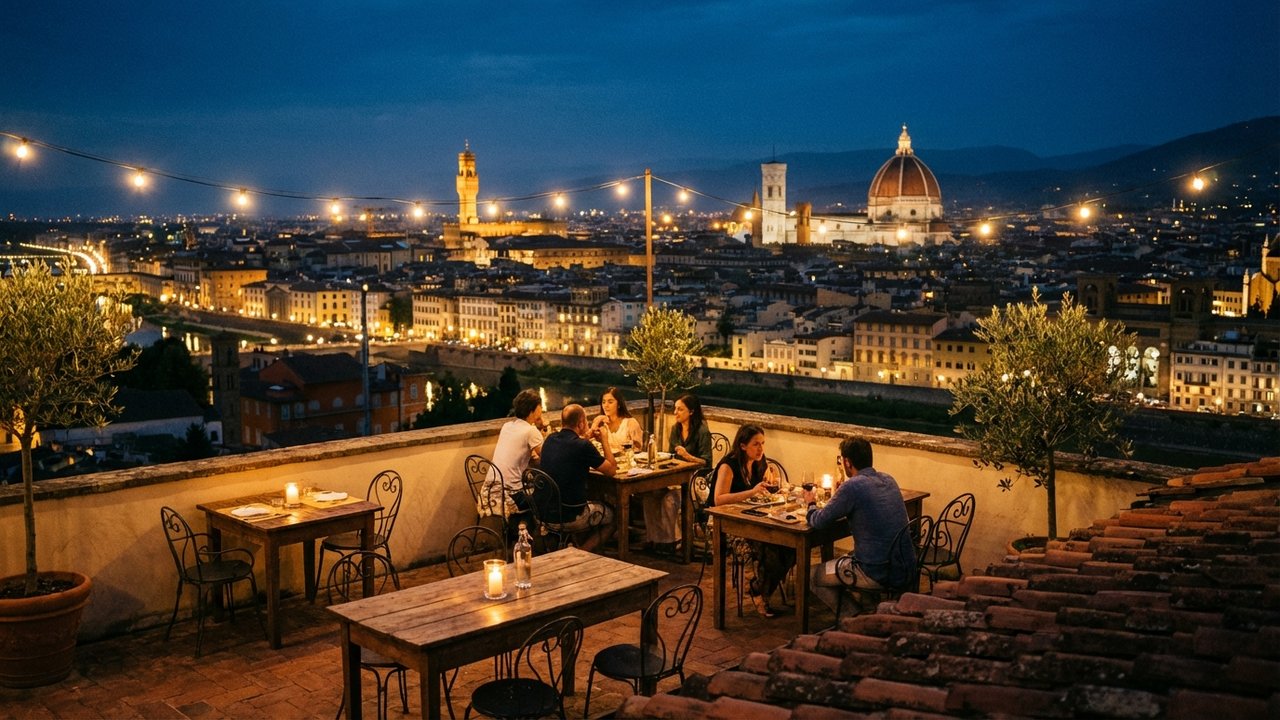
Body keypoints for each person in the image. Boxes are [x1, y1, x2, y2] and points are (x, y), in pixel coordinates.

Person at [802, 436, 912, 613]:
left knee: (810, 575)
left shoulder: (852, 486)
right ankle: (870, 609)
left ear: (847, 461)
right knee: (850, 556)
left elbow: (819, 521)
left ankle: (854, 617)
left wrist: (811, 503)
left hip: (875, 572)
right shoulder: (888, 479)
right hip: (904, 566)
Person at [712, 424, 794, 617]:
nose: (761, 449)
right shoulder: (728, 465)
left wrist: (772, 489)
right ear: (742, 445)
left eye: (763, 444)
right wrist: (753, 491)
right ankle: (761, 593)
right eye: (756, 444)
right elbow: (718, 499)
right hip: (725, 524)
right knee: (771, 548)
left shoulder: (759, 462)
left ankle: (759, 587)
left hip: (753, 518)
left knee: (791, 547)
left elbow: (762, 491)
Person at [538, 404, 617, 551]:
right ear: (581, 423)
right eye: (585, 421)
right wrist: (604, 441)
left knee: (591, 502)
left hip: (545, 512)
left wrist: (586, 437)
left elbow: (568, 450)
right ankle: (579, 552)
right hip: (571, 515)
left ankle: (573, 546)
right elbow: (612, 470)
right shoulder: (583, 446)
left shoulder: (550, 439)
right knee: (614, 516)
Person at [643, 394, 712, 554]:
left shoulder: (702, 431)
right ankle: (654, 539)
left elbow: (707, 463)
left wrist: (688, 457)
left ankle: (674, 540)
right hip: (676, 477)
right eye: (675, 408)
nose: (676, 412)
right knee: (650, 496)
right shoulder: (676, 429)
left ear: (691, 412)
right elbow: (669, 454)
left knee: (669, 500)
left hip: (696, 481)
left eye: (680, 409)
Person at [479, 389, 545, 520]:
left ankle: (519, 532)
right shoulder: (531, 431)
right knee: (547, 494)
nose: (541, 410)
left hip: (488, 493)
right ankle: (532, 534)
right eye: (539, 407)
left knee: (532, 486)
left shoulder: (507, 426)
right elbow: (549, 458)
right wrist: (541, 426)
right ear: (532, 410)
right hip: (510, 497)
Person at [591, 387, 645, 451]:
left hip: (627, 459)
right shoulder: (601, 424)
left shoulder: (630, 423)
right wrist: (596, 422)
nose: (606, 405)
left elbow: (638, 448)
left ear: (619, 404)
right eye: (603, 402)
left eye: (610, 402)